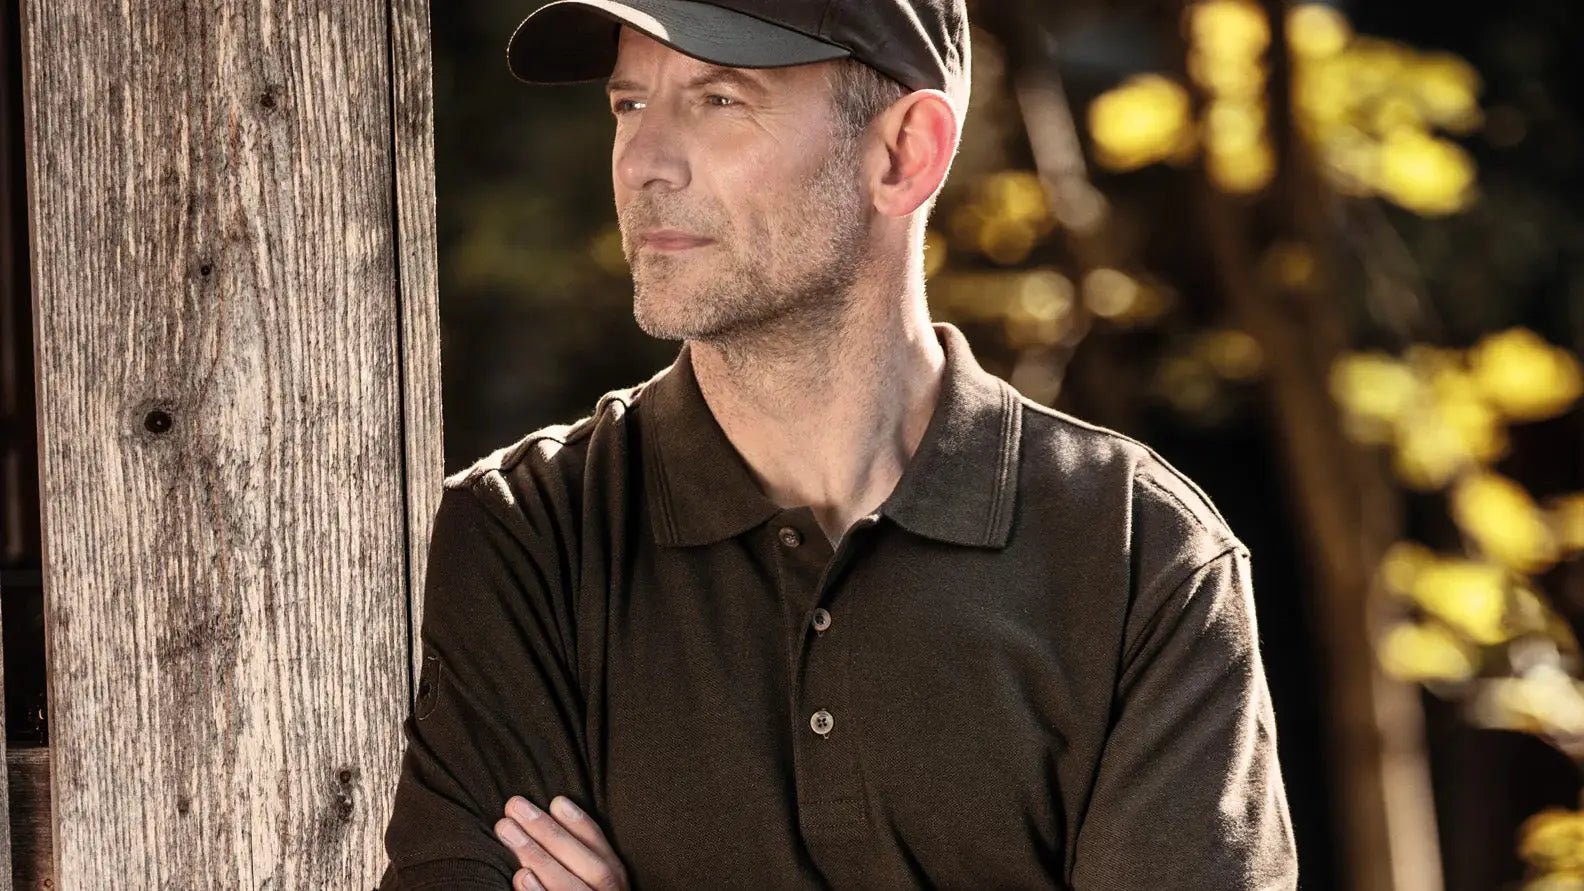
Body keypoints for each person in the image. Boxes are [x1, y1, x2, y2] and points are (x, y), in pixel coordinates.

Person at [379, 0, 1299, 888]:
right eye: (629, 102)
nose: (643, 160)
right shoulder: (527, 534)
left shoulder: (1143, 557)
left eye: (719, 98)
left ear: (905, 153)